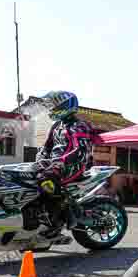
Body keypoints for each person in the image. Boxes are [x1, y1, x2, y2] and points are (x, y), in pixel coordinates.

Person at [34, 91, 95, 235]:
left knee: (46, 181)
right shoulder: (57, 125)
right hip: (54, 164)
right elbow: (47, 146)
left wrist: (59, 162)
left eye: (54, 107)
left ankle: (57, 222)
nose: (51, 110)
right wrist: (40, 157)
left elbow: (80, 150)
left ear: (66, 106)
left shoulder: (79, 126)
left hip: (73, 165)